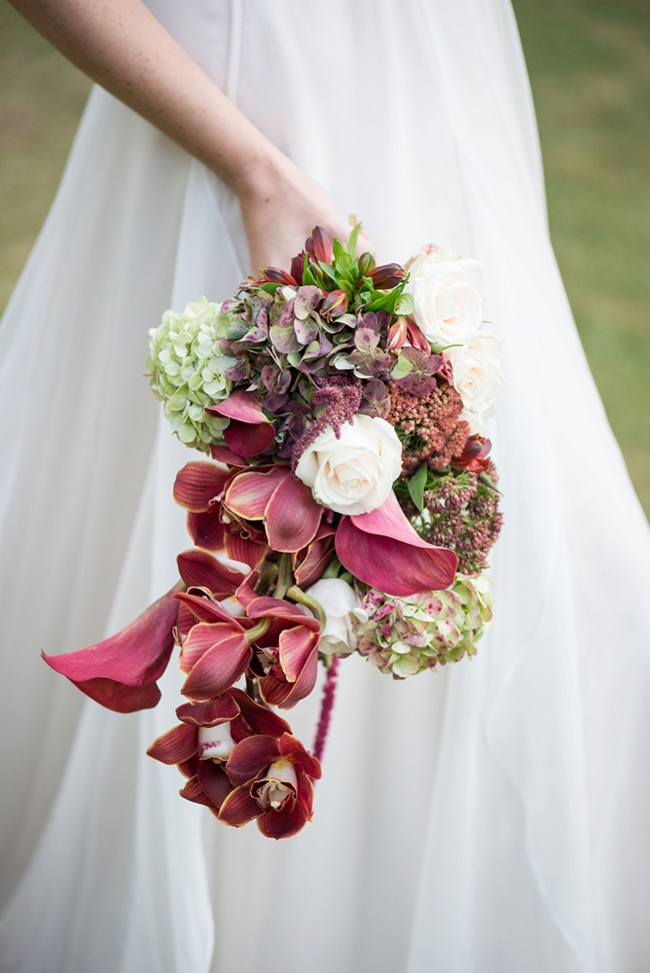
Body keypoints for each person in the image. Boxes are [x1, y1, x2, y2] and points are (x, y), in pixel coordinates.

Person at [1, 1, 649, 971]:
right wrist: (250, 165)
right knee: (211, 495)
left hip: (440, 110)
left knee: (564, 567)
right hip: (239, 107)